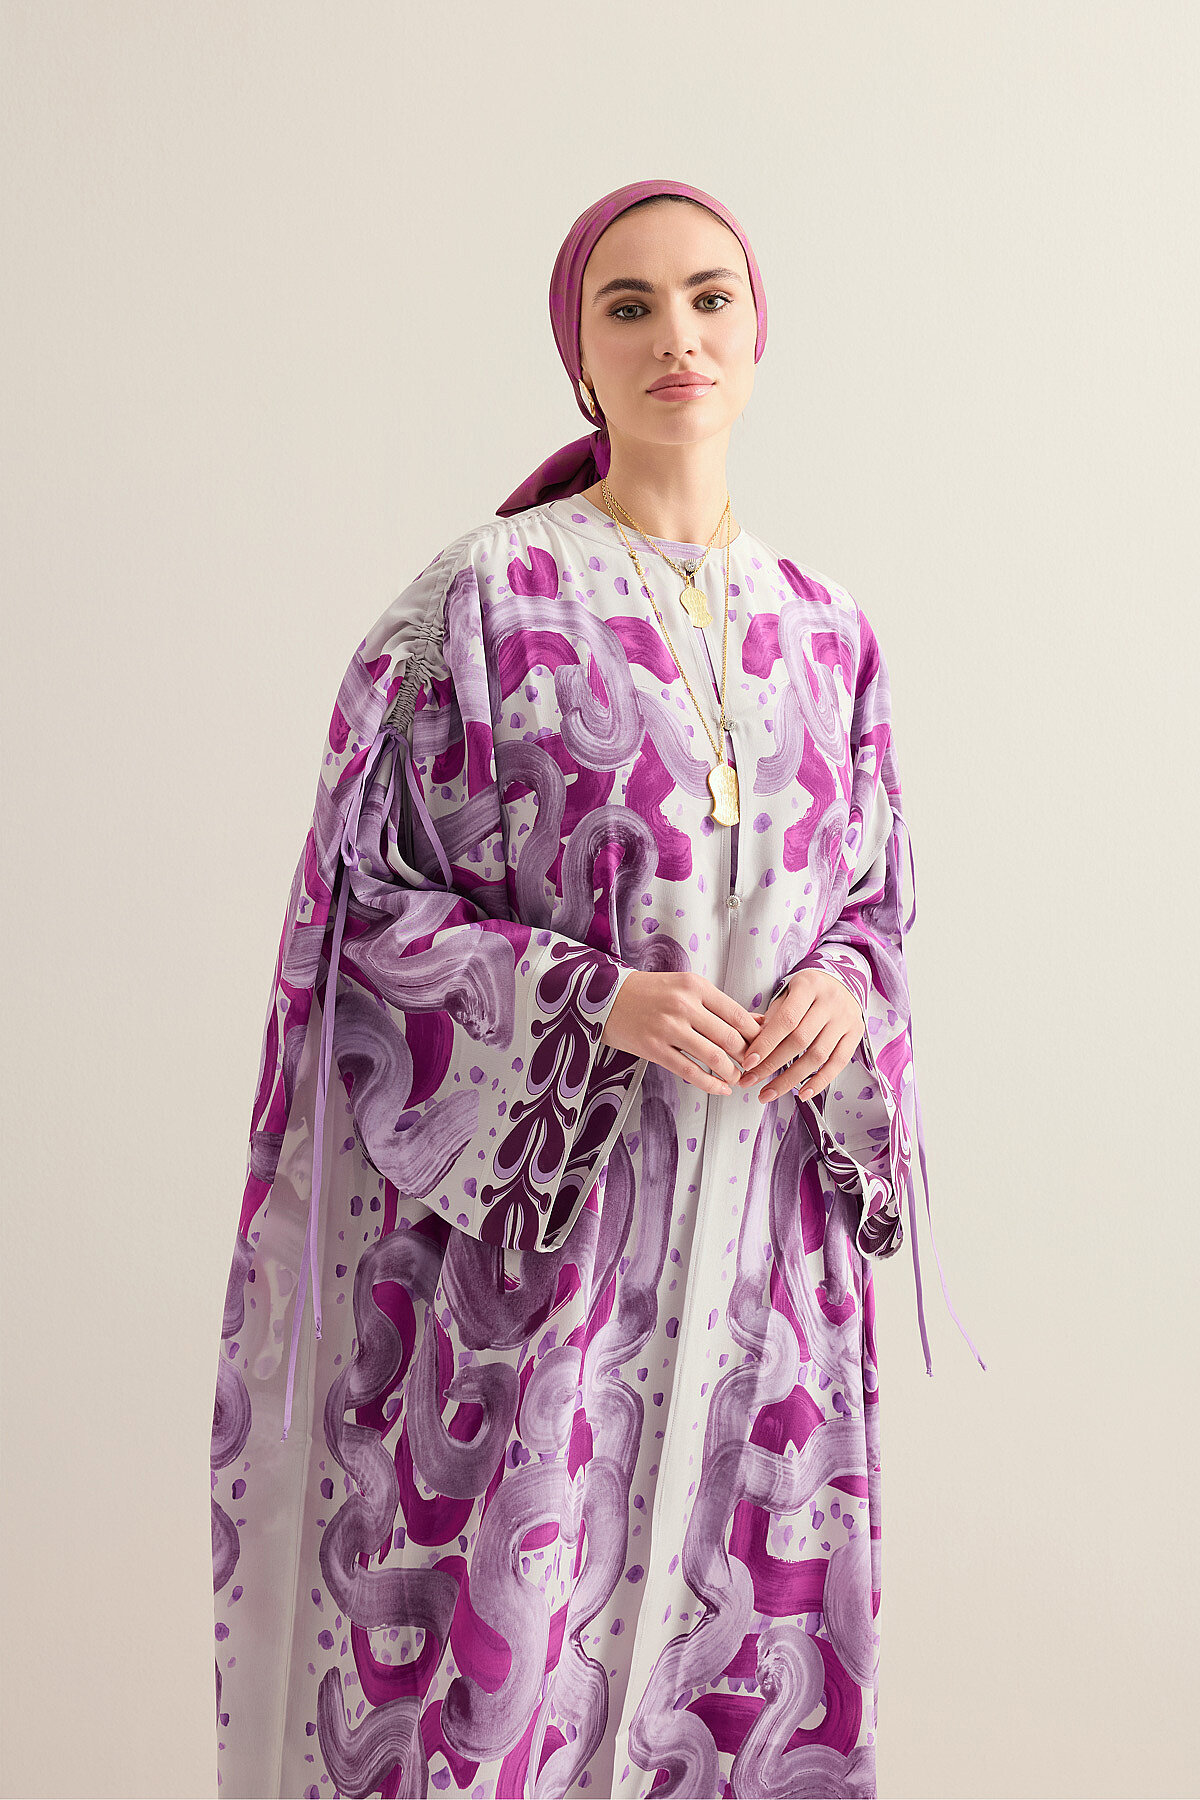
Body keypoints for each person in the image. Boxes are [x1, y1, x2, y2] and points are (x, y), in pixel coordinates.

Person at [210, 176, 985, 1800]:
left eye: (709, 297)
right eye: (627, 306)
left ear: (759, 334)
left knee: (745, 1661)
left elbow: (874, 906)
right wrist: (587, 1006)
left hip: (769, 1263)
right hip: (548, 1270)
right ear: (579, 355)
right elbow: (362, 918)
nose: (675, 334)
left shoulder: (831, 635)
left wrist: (847, 993)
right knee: (510, 1676)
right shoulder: (485, 602)